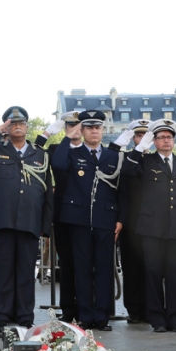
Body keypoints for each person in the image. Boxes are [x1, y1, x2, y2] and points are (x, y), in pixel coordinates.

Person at [0, 106, 52, 331]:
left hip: (29, 221)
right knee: (2, 269)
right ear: (6, 128)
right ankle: (2, 314)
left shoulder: (40, 155)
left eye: (20, 123)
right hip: (1, 220)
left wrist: (45, 225)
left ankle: (25, 314)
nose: (17, 127)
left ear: (27, 127)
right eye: (11, 124)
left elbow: (47, 192)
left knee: (27, 271)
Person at [117, 120, 176, 333]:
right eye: (160, 137)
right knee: (152, 274)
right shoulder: (145, 160)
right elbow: (126, 171)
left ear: (174, 140)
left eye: (169, 137)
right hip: (151, 227)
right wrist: (141, 147)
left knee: (175, 274)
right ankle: (158, 320)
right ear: (155, 141)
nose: (165, 141)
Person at [50, 110, 121, 331]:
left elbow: (120, 190)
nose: (94, 131)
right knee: (81, 269)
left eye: (97, 128)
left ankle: (101, 316)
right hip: (78, 220)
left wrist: (120, 218)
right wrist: (68, 137)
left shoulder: (113, 156)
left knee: (102, 270)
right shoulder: (73, 152)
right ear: (82, 130)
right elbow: (58, 165)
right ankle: (84, 315)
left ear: (102, 131)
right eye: (89, 128)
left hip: (104, 219)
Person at [43, 110, 81, 322]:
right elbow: (54, 163)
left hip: (85, 214)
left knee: (85, 264)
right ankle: (68, 309)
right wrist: (57, 136)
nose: (73, 129)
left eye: (77, 126)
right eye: (69, 126)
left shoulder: (90, 150)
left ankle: (86, 306)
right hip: (63, 214)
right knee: (66, 264)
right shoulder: (57, 149)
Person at [115, 119, 150, 324]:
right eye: (138, 136)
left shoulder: (155, 159)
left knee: (150, 269)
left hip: (152, 223)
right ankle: (134, 310)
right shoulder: (126, 158)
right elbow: (124, 179)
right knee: (131, 269)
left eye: (145, 136)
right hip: (130, 222)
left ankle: (149, 308)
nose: (141, 140)